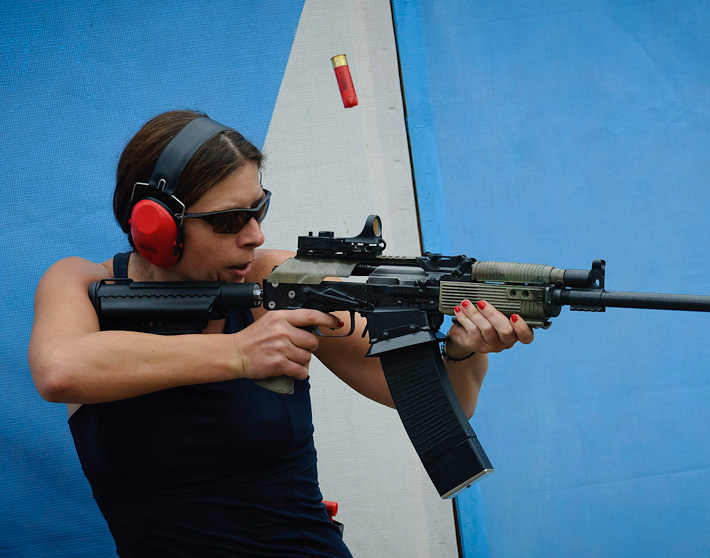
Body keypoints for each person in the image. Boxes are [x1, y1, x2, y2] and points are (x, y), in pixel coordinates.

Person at [28, 110, 534, 557]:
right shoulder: (81, 285)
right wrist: (238, 354)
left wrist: (464, 351)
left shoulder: (282, 281)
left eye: (259, 208)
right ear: (156, 228)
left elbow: (451, 404)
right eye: (229, 220)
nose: (256, 234)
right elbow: (60, 370)